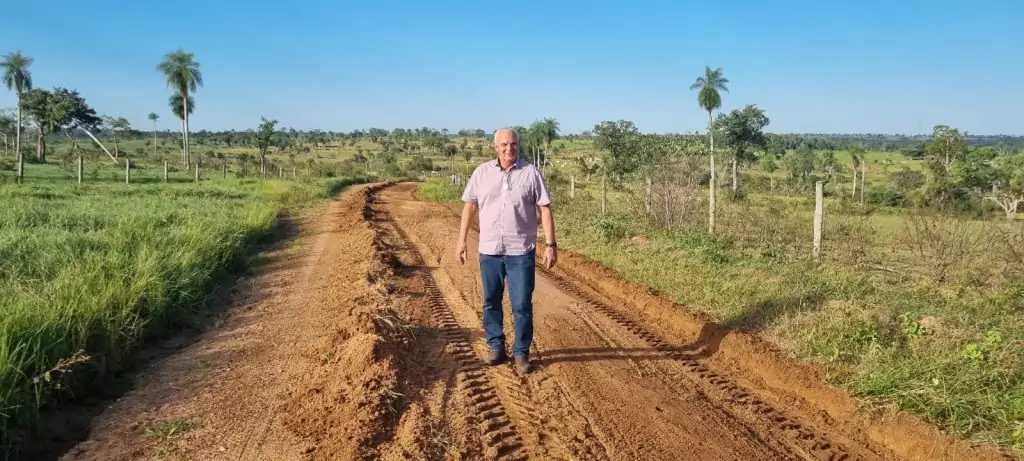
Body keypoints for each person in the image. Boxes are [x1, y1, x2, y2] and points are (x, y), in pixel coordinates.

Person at [456, 127, 557, 373]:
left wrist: (551, 245)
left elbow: (545, 209)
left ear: (517, 145)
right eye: (504, 144)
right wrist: (461, 241)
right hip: (489, 250)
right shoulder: (482, 173)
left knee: (521, 303)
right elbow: (470, 208)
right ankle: (496, 346)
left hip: (520, 251)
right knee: (491, 301)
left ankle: (521, 352)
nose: (509, 148)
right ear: (495, 147)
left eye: (513, 144)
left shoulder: (531, 173)